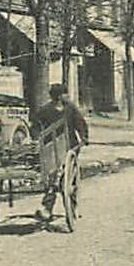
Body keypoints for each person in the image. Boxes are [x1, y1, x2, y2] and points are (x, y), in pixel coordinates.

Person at [32, 83, 88, 223]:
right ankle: (48, 209)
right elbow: (36, 126)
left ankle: (71, 208)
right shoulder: (45, 110)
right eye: (64, 94)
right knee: (54, 176)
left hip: (69, 147)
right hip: (50, 148)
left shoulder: (70, 109)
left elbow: (80, 123)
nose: (67, 96)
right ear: (58, 96)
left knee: (68, 179)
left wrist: (84, 137)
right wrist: (36, 138)